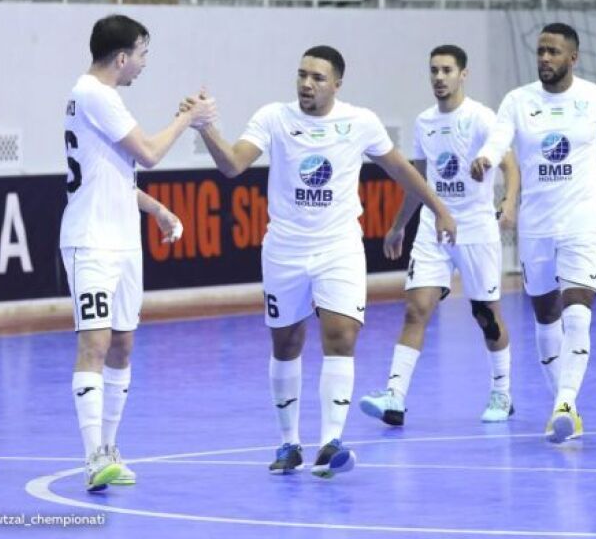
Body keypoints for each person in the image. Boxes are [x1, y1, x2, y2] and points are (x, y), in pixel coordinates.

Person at [193, 45, 456, 478]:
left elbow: (402, 170)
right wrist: (206, 128)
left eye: (317, 78)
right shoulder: (274, 118)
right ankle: (289, 443)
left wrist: (439, 209)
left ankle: (331, 442)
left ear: (336, 84)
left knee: (341, 336)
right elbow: (234, 165)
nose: (307, 84)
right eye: (302, 75)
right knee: (286, 344)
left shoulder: (360, 121)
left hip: (339, 248)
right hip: (285, 250)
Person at [61, 14, 217, 492]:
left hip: (124, 240)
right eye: (143, 54)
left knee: (123, 344)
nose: (145, 64)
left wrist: (158, 210)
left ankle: (109, 449)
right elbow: (149, 153)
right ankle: (93, 457)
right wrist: (189, 118)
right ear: (123, 57)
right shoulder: (95, 94)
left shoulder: (99, 97)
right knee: (95, 343)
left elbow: (116, 176)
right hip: (91, 241)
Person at [470, 22, 596, 444]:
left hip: (583, 220)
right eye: (540, 50)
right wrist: (485, 158)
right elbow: (498, 140)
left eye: (553, 52)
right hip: (537, 224)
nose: (544, 58)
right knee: (545, 315)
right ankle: (565, 407)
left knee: (578, 308)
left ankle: (564, 403)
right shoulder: (518, 100)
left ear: (572, 58)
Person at [358, 45, 520, 427]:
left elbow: (511, 165)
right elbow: (418, 181)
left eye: (447, 70)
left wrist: (510, 203)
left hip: (476, 228)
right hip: (433, 230)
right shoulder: (424, 122)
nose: (439, 77)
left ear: (463, 74)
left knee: (485, 315)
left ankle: (502, 392)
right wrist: (399, 225)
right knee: (416, 309)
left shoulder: (481, 117)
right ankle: (394, 396)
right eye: (433, 70)